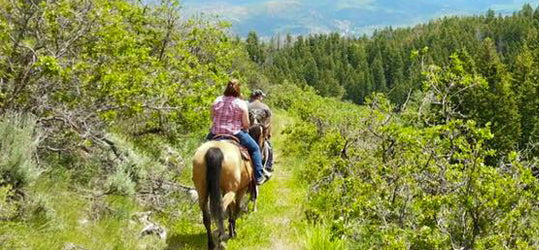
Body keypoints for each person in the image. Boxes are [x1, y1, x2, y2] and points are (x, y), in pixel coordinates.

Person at [207, 79, 266, 185]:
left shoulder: (217, 100)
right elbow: (246, 124)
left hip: (216, 132)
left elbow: (212, 117)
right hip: (235, 133)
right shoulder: (241, 103)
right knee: (255, 149)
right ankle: (258, 176)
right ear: (238, 89)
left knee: (201, 148)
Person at [248, 89, 274, 175]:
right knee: (269, 147)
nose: (262, 98)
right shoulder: (265, 107)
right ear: (259, 96)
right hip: (261, 133)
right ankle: (268, 166)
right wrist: (268, 135)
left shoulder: (247, 106)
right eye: (262, 96)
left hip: (249, 132)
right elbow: (268, 123)